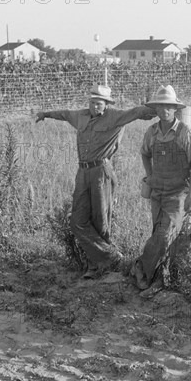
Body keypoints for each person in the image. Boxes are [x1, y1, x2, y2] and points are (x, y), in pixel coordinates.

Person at [36, 84, 155, 279]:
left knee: (100, 219)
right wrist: (46, 114)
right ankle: (112, 257)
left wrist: (156, 108)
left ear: (106, 104)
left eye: (99, 103)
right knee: (78, 221)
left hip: (101, 171)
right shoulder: (81, 116)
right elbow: (65, 114)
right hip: (82, 172)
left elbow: (137, 112)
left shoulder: (115, 116)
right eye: (92, 102)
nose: (94, 106)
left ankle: (96, 267)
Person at [131, 85, 191, 298]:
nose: (164, 110)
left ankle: (140, 268)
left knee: (164, 234)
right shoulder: (151, 132)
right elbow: (144, 154)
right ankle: (159, 276)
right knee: (159, 234)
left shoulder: (185, 132)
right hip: (157, 192)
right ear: (156, 109)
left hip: (177, 193)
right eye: (160, 106)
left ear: (175, 108)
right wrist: (150, 175)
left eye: (168, 107)